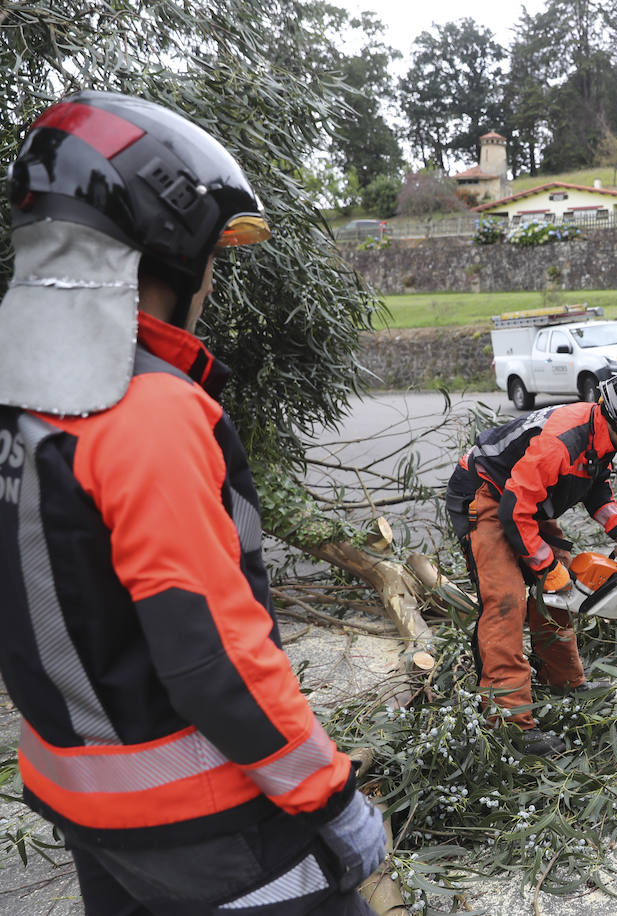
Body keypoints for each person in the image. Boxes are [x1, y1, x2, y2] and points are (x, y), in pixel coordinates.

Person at [0, 91, 385, 913]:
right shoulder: (143, 412)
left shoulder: (17, 401)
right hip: (205, 826)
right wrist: (331, 797)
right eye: (212, 258)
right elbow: (215, 657)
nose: (212, 282)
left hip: (81, 804)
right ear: (166, 255)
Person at [446, 371, 617, 757]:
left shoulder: (601, 432)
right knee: (506, 601)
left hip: (525, 501)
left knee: (559, 594)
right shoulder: (563, 442)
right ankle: (509, 722)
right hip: (486, 496)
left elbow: (597, 485)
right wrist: (548, 569)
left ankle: (563, 681)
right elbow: (512, 511)